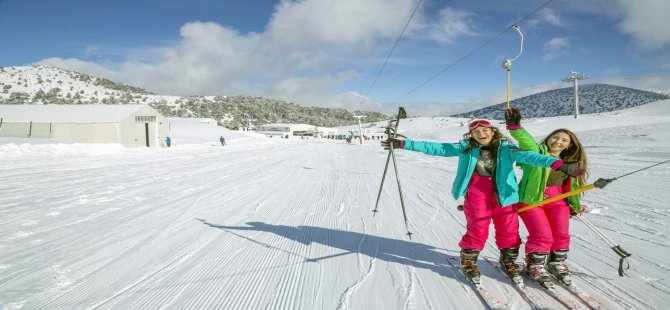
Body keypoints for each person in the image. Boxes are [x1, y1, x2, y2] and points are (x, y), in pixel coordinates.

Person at [381, 119, 585, 284]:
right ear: (471, 135)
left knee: (509, 229)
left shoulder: (508, 148)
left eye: (484, 130)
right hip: (477, 193)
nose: (481, 134)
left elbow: (531, 157)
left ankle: (509, 261)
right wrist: (404, 143)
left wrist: (558, 163)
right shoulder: (466, 147)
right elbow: (437, 148)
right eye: (476, 132)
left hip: (505, 195)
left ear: (493, 132)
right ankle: (469, 260)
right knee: (478, 229)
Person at [505, 108, 588, 287]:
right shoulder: (536, 153)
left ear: (569, 146)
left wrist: (575, 204)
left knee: (561, 233)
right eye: (555, 137)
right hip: (532, 200)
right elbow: (526, 142)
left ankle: (556, 263)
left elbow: (571, 187)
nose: (558, 141)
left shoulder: (571, 163)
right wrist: (515, 128)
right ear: (549, 138)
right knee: (542, 234)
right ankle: (534, 265)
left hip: (558, 200)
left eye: (564, 140)